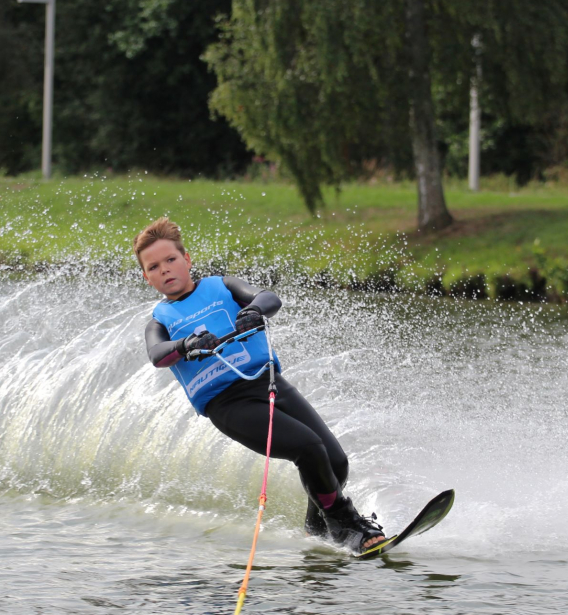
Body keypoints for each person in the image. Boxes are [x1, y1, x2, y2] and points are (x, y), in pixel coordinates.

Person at [136, 217, 385, 553]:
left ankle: (317, 527)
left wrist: (253, 310)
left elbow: (268, 298)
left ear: (187, 259)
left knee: (336, 462)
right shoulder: (159, 322)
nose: (165, 270)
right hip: (228, 405)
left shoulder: (221, 285)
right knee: (308, 448)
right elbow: (157, 354)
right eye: (154, 267)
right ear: (146, 277)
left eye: (171, 260)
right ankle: (345, 524)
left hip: (268, 383)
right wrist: (186, 345)